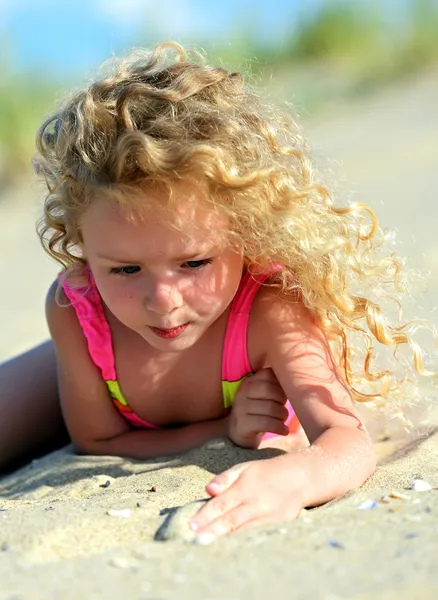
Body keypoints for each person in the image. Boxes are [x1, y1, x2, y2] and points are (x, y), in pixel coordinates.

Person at [0, 41, 432, 539]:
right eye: (124, 270)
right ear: (80, 248)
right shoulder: (77, 310)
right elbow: (96, 440)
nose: (163, 300)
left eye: (194, 262)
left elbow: (346, 441)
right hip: (88, 355)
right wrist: (222, 431)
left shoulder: (271, 312)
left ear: (246, 237)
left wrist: (295, 478)